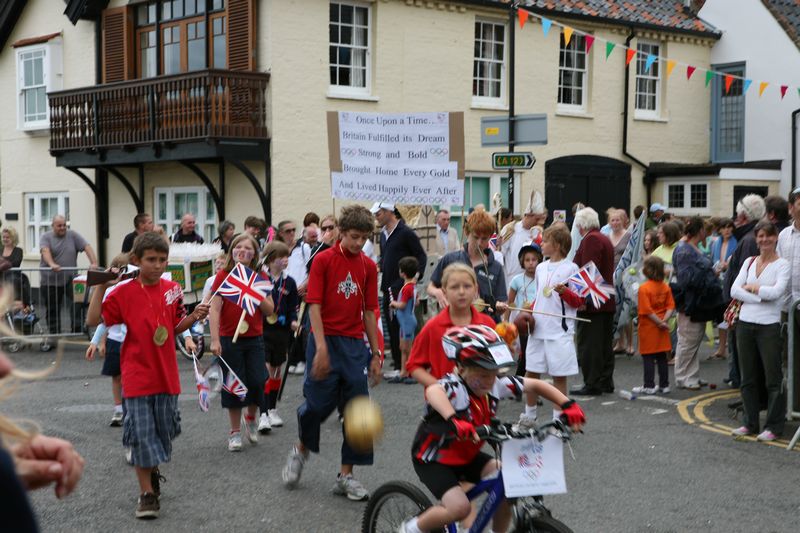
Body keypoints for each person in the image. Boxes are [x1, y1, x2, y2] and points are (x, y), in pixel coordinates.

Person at [398, 325, 585, 533]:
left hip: (466, 455)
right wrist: (454, 419)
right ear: (461, 369)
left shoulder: (495, 385)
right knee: (459, 507)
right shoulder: (455, 388)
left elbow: (535, 385)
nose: (489, 380)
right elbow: (433, 391)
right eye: (482, 374)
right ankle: (409, 529)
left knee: (510, 479)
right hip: (434, 459)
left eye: (493, 373)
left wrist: (567, 404)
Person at [86, 232, 209, 519]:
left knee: (162, 435)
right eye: (151, 260)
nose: (157, 265)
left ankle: (152, 472)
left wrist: (194, 317)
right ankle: (146, 495)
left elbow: (175, 325)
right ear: (136, 260)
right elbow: (94, 320)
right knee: (141, 436)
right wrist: (101, 287)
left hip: (166, 375)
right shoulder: (122, 292)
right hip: (136, 374)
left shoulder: (173, 289)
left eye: (162, 260)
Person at [282, 205, 382, 501]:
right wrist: (321, 348)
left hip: (353, 345)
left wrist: (376, 354)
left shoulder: (368, 266)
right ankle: (301, 449)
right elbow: (313, 304)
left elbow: (369, 311)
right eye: (353, 236)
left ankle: (346, 475)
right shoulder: (323, 260)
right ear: (340, 231)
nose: (358, 243)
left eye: (364, 238)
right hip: (324, 339)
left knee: (357, 413)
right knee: (315, 406)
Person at [208, 234, 275, 452]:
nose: (243, 250)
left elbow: (269, 310)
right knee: (233, 386)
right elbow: (214, 309)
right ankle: (234, 432)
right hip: (230, 338)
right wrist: (215, 340)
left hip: (254, 338)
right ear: (232, 251)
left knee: (257, 381)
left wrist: (254, 292)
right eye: (238, 246)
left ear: (255, 253)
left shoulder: (260, 276)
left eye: (248, 247)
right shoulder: (223, 276)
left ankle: (252, 418)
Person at [729, 220, 789, 441]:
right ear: (756, 239)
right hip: (745, 323)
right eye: (761, 236)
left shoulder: (782, 265)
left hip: (769, 326)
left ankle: (774, 426)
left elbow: (778, 293)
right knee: (748, 377)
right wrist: (760, 294)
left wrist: (753, 288)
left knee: (773, 379)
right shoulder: (748, 261)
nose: (764, 240)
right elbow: (735, 290)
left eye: (769, 236)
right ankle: (750, 423)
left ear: (775, 238)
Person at [517, 225, 582, 427]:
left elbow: (579, 302)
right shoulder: (540, 268)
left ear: (558, 245)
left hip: (559, 331)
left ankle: (557, 419)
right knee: (531, 372)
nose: (541, 244)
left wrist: (565, 292)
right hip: (538, 329)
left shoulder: (571, 269)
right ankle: (529, 416)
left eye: (544, 241)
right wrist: (528, 311)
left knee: (558, 376)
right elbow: (539, 297)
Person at [407, 263, 497, 386]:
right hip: (443, 401)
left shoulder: (487, 324)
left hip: (480, 401)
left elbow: (498, 361)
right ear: (444, 291)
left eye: (467, 286)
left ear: (476, 289)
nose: (461, 292)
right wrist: (439, 388)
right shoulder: (433, 327)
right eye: (454, 287)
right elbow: (414, 365)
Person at [373, 202, 427, 380]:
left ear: (389, 212)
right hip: (387, 287)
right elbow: (386, 257)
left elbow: (421, 255)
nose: (376, 217)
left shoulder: (406, 232)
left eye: (379, 213)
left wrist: (414, 278)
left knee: (401, 328)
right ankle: (398, 364)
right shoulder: (382, 234)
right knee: (391, 325)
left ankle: (405, 366)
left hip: (401, 287)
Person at [427, 210, 508, 323]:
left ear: (490, 237)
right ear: (467, 233)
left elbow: (501, 302)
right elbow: (430, 287)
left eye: (484, 238)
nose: (479, 243)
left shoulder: (496, 267)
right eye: (475, 237)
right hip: (454, 323)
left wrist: (499, 308)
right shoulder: (451, 259)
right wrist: (438, 293)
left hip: (485, 326)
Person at [671, 217, 723, 391]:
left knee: (693, 340)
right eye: (704, 230)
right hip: (689, 303)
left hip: (697, 303)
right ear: (699, 231)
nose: (706, 234)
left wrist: (710, 272)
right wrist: (707, 274)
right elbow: (686, 280)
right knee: (687, 341)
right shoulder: (684, 251)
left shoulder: (690, 248)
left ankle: (691, 375)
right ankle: (683, 377)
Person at [572, 207, 616, 396]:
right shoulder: (603, 238)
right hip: (605, 298)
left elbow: (588, 270)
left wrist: (582, 300)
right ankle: (605, 380)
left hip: (594, 301)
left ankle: (592, 382)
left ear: (581, 225)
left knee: (589, 345)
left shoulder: (590, 239)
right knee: (604, 344)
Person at [723, 194, 766, 388]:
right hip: (743, 306)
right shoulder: (750, 237)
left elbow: (746, 278)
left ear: (743, 217)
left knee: (743, 354)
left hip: (742, 307)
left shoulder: (748, 240)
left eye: (737, 214)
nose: (734, 219)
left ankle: (746, 395)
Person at [257, 240, 298, 434]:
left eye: (287, 257)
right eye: (283, 257)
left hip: (281, 332)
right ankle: (263, 413)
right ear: (272, 259)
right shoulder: (260, 279)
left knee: (276, 371)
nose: (286, 260)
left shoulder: (289, 282)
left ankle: (273, 409)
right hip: (263, 330)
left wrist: (293, 321)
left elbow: (292, 308)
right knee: (265, 370)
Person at [40, 215, 98, 334]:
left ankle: (77, 328)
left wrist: (94, 263)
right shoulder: (46, 237)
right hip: (50, 281)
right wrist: (52, 264)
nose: (62, 228)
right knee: (53, 308)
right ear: (53, 226)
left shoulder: (72, 235)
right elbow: (45, 251)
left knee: (80, 300)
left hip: (70, 279)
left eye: (64, 225)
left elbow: (87, 247)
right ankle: (54, 334)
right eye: (59, 225)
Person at [634, 256, 675, 394]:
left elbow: (646, 310)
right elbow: (670, 306)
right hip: (662, 327)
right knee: (662, 357)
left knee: (648, 357)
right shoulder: (665, 286)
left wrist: (659, 322)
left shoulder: (643, 288)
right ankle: (664, 384)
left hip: (649, 327)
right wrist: (664, 321)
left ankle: (649, 385)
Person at [505, 242, 542, 376]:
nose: (531, 263)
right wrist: (506, 321)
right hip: (523, 322)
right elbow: (509, 303)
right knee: (527, 354)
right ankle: (519, 383)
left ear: (539, 260)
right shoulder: (516, 280)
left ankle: (523, 384)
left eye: (534, 259)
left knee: (535, 356)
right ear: (522, 262)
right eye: (527, 260)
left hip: (539, 321)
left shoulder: (542, 279)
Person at [500, 190, 545, 287]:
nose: (539, 222)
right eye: (537, 219)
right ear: (528, 215)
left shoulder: (538, 232)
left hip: (531, 281)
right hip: (510, 281)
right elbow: (500, 254)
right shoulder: (510, 229)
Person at [387, 257, 418, 384]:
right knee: (403, 347)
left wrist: (393, 303)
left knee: (407, 349)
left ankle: (411, 373)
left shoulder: (407, 288)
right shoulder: (412, 286)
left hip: (407, 322)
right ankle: (403, 372)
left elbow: (403, 305)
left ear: (402, 273)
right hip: (405, 321)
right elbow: (416, 302)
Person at [710, 218, 737, 359]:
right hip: (718, 280)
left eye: (729, 227)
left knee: (730, 315)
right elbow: (712, 259)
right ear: (719, 229)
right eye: (724, 227)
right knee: (720, 315)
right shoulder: (715, 243)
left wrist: (728, 265)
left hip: (730, 281)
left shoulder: (736, 242)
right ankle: (721, 348)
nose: (727, 230)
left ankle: (730, 347)